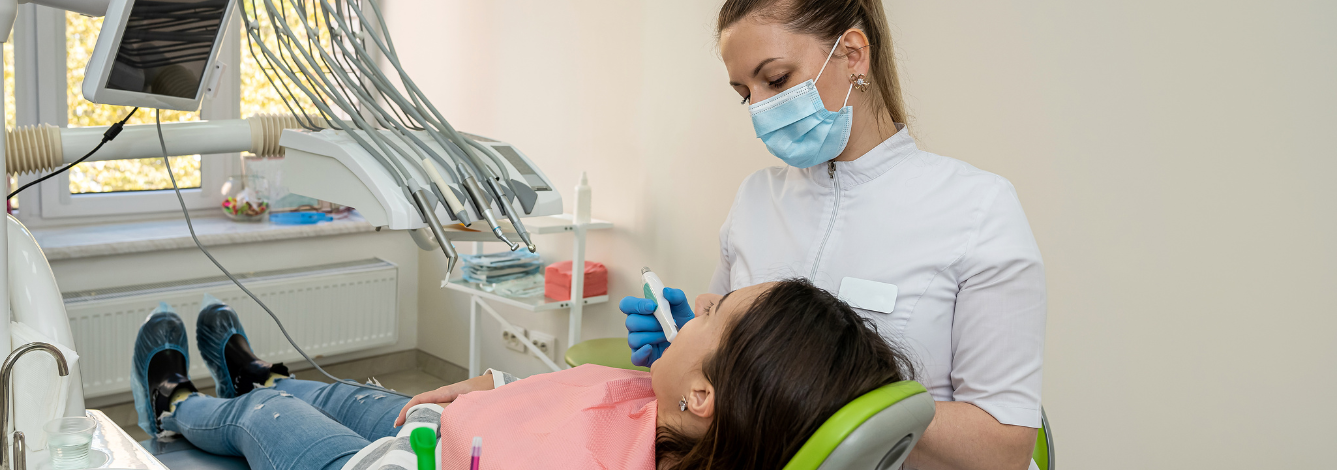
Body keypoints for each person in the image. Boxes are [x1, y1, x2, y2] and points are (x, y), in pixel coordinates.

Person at [621, 1, 1047, 469]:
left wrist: (826, 396)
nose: (760, 110)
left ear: (853, 54)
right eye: (745, 94)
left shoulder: (976, 207)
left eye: (776, 80)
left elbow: (1005, 446)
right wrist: (689, 355)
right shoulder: (756, 200)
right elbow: (729, 392)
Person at [130, 279, 912, 470]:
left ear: (702, 396)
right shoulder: (663, 407)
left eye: (716, 314)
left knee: (266, 423)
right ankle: (256, 376)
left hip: (394, 464)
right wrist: (492, 389)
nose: (700, 299)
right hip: (441, 425)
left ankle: (175, 402)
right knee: (321, 393)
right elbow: (561, 409)